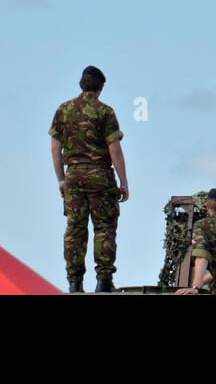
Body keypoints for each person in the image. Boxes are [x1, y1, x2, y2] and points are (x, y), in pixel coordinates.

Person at [49, 65, 129, 293]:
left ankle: (75, 282)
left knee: (75, 229)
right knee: (104, 228)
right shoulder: (105, 112)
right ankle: (104, 281)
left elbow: (55, 148)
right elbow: (114, 150)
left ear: (81, 85)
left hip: (73, 177)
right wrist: (123, 183)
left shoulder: (63, 110)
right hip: (100, 176)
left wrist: (61, 180)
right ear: (101, 87)